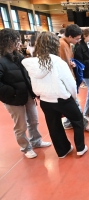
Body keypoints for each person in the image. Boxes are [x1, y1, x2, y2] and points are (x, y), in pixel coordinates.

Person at [22, 32, 87, 158]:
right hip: (62, 98)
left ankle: (62, 151)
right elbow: (70, 83)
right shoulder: (58, 62)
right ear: (54, 45)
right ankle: (80, 147)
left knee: (54, 125)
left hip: (45, 100)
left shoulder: (32, 63)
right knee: (77, 120)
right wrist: (73, 96)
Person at [0, 28, 51, 159]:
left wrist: (34, 89)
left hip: (27, 94)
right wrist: (13, 93)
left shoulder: (18, 56)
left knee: (34, 120)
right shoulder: (1, 60)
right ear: (7, 41)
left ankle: (36, 141)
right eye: (16, 40)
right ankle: (25, 147)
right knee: (20, 125)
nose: (19, 42)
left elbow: (27, 74)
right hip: (13, 98)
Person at [59, 24, 89, 133]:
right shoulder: (61, 45)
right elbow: (62, 64)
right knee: (74, 104)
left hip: (70, 76)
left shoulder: (68, 44)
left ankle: (68, 122)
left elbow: (68, 61)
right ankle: (84, 125)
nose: (78, 41)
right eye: (77, 38)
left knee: (72, 103)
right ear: (70, 36)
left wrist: (73, 64)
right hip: (65, 80)